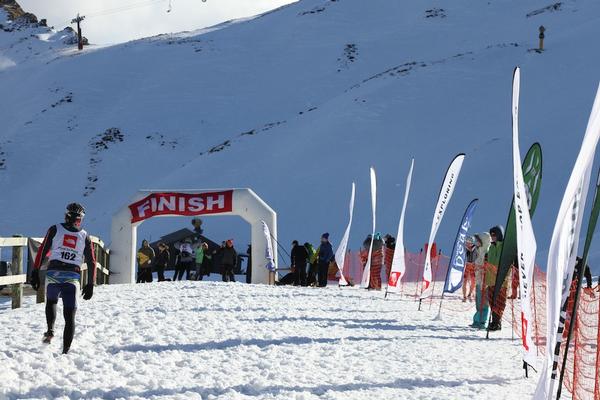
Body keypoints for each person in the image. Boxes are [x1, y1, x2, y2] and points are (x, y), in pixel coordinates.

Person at [30, 203, 95, 354]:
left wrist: (35, 271)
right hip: (72, 277)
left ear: (66, 215)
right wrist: (91, 283)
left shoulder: (55, 229)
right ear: (81, 219)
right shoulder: (85, 235)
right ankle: (65, 352)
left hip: (54, 274)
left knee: (51, 302)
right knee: (70, 316)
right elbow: (91, 261)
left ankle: (50, 330)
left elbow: (43, 249)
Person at [485, 225, 506, 331]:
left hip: (501, 280)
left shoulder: (504, 247)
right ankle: (494, 321)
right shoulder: (491, 247)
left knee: (500, 302)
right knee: (492, 302)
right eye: (491, 235)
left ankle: (497, 322)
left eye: (494, 235)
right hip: (491, 280)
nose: (492, 237)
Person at [471, 233, 491, 328]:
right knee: (478, 302)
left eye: (478, 240)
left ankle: (482, 321)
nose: (476, 242)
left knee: (484, 302)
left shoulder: (487, 252)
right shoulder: (479, 251)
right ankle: (477, 320)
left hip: (484, 282)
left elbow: (487, 268)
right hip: (479, 280)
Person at [462, 236, 476, 302]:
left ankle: (470, 294)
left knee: (473, 281)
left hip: (474, 266)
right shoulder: (466, 248)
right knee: (465, 281)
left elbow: (472, 251)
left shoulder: (475, 248)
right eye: (466, 242)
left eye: (468, 242)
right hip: (467, 265)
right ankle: (464, 296)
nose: (467, 243)